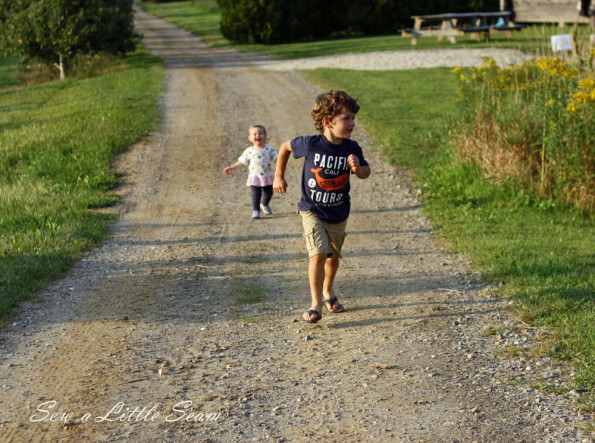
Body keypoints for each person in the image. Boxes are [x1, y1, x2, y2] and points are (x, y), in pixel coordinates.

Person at [273, 90, 370, 323]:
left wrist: (357, 169)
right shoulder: (310, 144)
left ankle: (328, 291)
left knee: (332, 257)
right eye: (346, 119)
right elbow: (285, 147)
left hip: (338, 212)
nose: (352, 123)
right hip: (311, 209)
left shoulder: (352, 148)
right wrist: (279, 175)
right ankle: (316, 304)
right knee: (317, 253)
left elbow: (366, 173)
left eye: (352, 118)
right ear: (327, 122)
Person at [223, 125, 278, 219]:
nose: (258, 136)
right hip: (254, 177)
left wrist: (281, 167)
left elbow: (277, 159)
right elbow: (241, 162)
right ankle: (256, 211)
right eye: (254, 134)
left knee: (269, 193)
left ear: (265, 136)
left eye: (261, 133)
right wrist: (231, 167)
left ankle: (264, 204)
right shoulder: (249, 151)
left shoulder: (270, 149)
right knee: (256, 194)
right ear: (250, 138)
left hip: (267, 176)